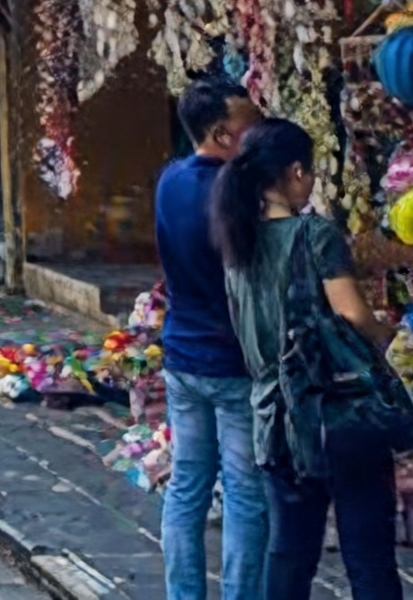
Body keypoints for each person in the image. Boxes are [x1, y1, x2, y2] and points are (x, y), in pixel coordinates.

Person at [212, 119, 404, 600]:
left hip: (274, 416)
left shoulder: (238, 238)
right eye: (311, 171)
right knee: (368, 551)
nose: (312, 180)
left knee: (290, 551)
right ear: (296, 171)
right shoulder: (314, 234)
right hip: (336, 413)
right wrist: (388, 330)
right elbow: (353, 314)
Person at [152, 73, 266, 600]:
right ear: (223, 134)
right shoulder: (234, 194)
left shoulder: (169, 180)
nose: (257, 133)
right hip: (233, 361)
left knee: (187, 487)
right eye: (250, 126)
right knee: (245, 492)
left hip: (182, 355)